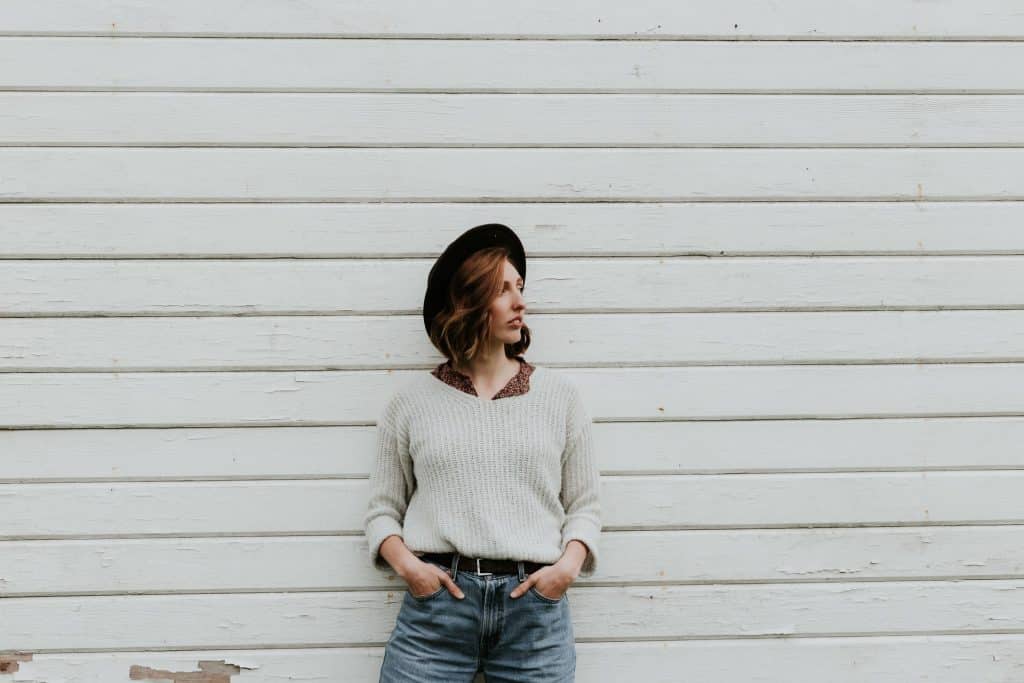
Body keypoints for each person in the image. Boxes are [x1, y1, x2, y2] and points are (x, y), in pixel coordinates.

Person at [363, 223, 602, 682]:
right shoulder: (411, 403)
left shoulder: (560, 398)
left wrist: (565, 571)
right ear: (468, 302)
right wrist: (414, 571)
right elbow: (382, 512)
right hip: (437, 612)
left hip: (534, 611)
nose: (520, 303)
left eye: (521, 288)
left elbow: (585, 507)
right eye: (503, 290)